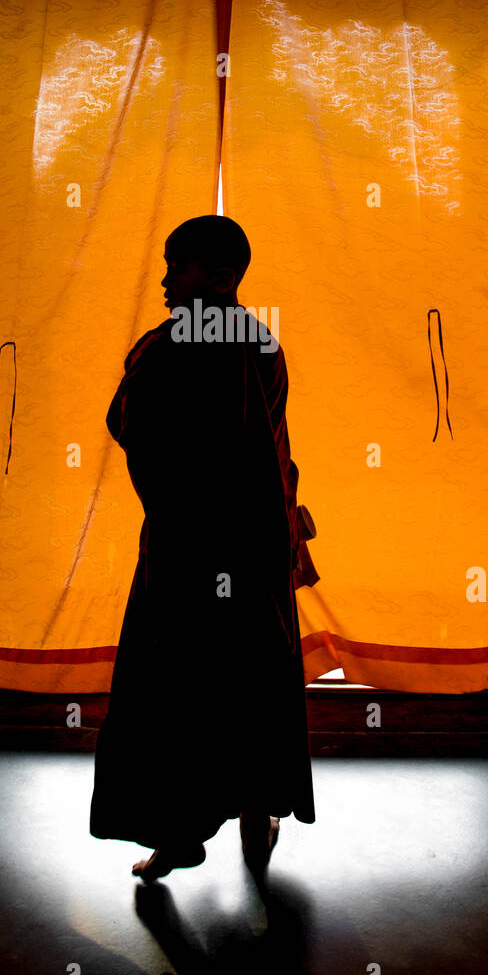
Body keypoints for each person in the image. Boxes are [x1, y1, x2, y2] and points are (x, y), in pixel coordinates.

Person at [89, 215, 316, 880]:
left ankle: (180, 834)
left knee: (175, 694)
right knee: (252, 683)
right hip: (252, 548)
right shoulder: (261, 341)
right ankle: (255, 814)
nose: (165, 280)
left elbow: (131, 423)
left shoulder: (182, 341)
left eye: (178, 266)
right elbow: (269, 449)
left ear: (221, 276)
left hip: (189, 550)